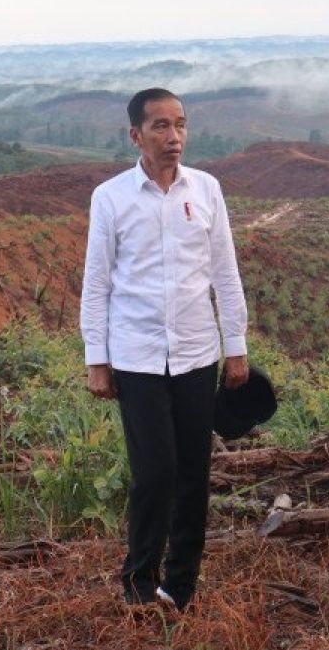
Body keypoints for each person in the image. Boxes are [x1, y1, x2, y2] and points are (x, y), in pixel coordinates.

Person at [80, 87, 249, 612]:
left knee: (194, 475)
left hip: (198, 353)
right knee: (155, 472)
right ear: (136, 135)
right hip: (137, 356)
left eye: (180, 125)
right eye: (160, 126)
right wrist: (96, 358)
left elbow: (225, 270)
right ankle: (137, 580)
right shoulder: (111, 197)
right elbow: (97, 282)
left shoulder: (207, 189)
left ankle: (180, 586)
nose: (173, 137)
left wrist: (235, 345)